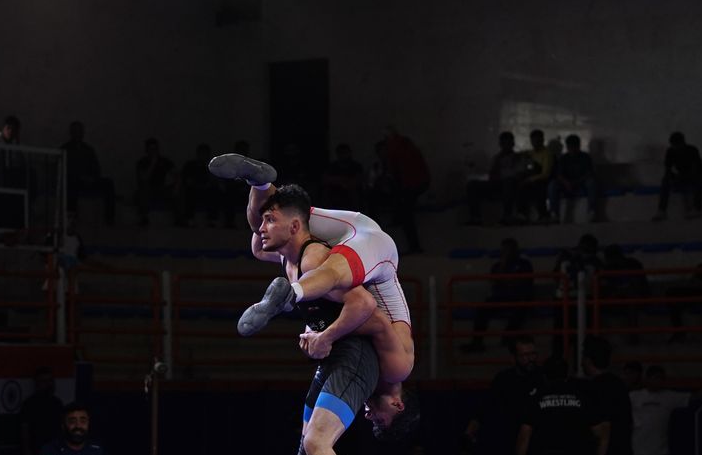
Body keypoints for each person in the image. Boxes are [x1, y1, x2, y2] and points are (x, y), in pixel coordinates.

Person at [210, 153, 415, 385]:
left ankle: (261, 184)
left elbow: (259, 247)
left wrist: (316, 330)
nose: (367, 409)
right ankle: (292, 293)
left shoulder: (387, 368)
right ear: (398, 402)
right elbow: (371, 315)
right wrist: (325, 336)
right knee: (331, 269)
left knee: (273, 224)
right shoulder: (397, 370)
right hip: (372, 244)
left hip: (350, 234)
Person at [513, 354, 610, 455]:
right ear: (567, 374)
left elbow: (525, 435)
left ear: (545, 376)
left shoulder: (536, 398)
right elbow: (602, 432)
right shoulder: (581, 397)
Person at [462, 336, 543, 455]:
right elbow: (487, 406)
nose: (530, 359)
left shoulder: (542, 379)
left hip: (534, 445)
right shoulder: (504, 379)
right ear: (514, 357)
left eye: (533, 354)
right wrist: (474, 425)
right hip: (506, 444)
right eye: (525, 355)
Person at [629, 365, 691, 455]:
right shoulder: (634, 396)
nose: (658, 382)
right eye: (655, 378)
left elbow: (692, 397)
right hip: (639, 452)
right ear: (647, 379)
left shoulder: (669, 397)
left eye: (661, 379)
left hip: (661, 452)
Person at [460, 237, 534, 353]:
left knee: (523, 306)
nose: (506, 252)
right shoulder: (497, 266)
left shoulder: (524, 264)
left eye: (509, 249)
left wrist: (509, 282)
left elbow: (525, 283)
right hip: (501, 297)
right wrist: (503, 267)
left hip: (518, 297)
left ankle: (508, 336)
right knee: (483, 309)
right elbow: (496, 281)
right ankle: (477, 343)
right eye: (504, 250)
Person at [61, 120, 115, 224]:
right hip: (74, 181)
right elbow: (64, 170)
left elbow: (96, 168)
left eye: (80, 131)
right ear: (71, 133)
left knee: (109, 183)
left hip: (89, 181)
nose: (78, 134)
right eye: (76, 131)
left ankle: (109, 218)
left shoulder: (89, 149)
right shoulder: (65, 149)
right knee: (70, 186)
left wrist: (92, 178)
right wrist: (79, 177)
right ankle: (71, 219)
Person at [466, 131, 524, 225]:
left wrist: (505, 174)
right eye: (504, 143)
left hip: (510, 184)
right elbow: (490, 174)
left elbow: (519, 174)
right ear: (500, 144)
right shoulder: (496, 158)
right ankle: (475, 217)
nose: (506, 146)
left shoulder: (518, 157)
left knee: (509, 182)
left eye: (508, 143)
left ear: (512, 144)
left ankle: (507, 216)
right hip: (496, 183)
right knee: (472, 185)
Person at [19, 368, 65, 455]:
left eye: (50, 381)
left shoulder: (57, 403)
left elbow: (63, 429)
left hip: (55, 452)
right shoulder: (29, 404)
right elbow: (24, 430)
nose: (48, 384)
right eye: (44, 381)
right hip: (36, 453)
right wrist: (27, 453)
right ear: (37, 383)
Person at [653, 132, 702, 221]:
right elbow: (668, 168)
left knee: (698, 179)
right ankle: (661, 211)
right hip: (681, 176)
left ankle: (697, 209)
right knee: (665, 180)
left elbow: (697, 168)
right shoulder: (670, 151)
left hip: (694, 175)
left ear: (683, 143)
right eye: (674, 145)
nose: (676, 148)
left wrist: (684, 176)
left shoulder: (692, 150)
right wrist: (672, 178)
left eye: (677, 145)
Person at [546, 134, 599, 223]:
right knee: (552, 185)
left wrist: (576, 182)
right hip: (566, 184)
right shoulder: (563, 158)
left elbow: (589, 173)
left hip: (581, 183)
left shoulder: (585, 157)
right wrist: (566, 183)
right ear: (567, 147)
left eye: (574, 146)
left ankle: (592, 211)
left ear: (578, 146)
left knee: (591, 183)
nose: (572, 149)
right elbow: (559, 174)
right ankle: (554, 214)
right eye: (570, 147)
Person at [517, 129, 554, 221]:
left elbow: (546, 174)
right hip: (531, 179)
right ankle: (522, 214)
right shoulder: (531, 153)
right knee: (520, 185)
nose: (535, 143)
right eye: (533, 141)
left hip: (542, 180)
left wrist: (530, 179)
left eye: (538, 140)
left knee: (538, 187)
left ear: (542, 140)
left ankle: (543, 215)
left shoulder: (547, 154)